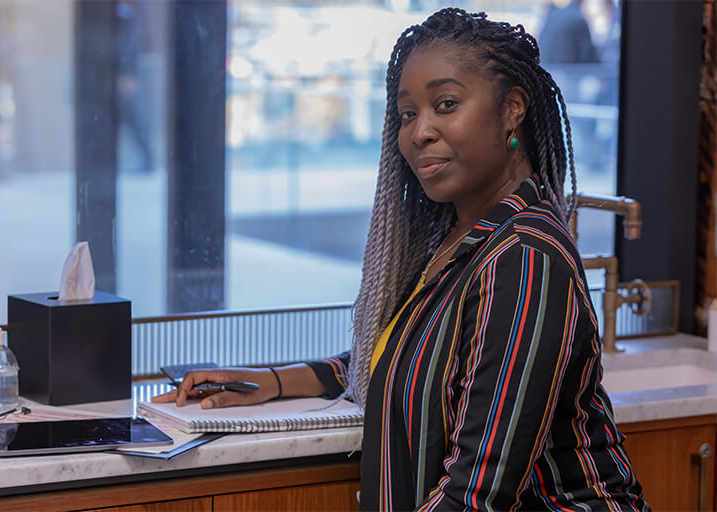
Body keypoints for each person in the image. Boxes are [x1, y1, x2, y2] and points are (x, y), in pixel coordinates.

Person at [153, 8, 648, 510]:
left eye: (446, 104)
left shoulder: (524, 260)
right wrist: (273, 381)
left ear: (512, 108)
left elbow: (477, 492)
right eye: (408, 114)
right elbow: (415, 358)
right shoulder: (458, 241)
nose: (418, 133)